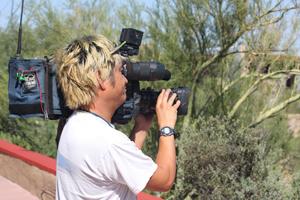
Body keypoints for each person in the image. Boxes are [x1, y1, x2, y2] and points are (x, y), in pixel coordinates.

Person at [55, 34, 180, 200]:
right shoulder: (106, 141)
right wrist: (166, 127)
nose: (126, 80)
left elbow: (115, 166)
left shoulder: (74, 124)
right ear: (100, 78)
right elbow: (164, 181)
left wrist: (141, 127)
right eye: (121, 71)